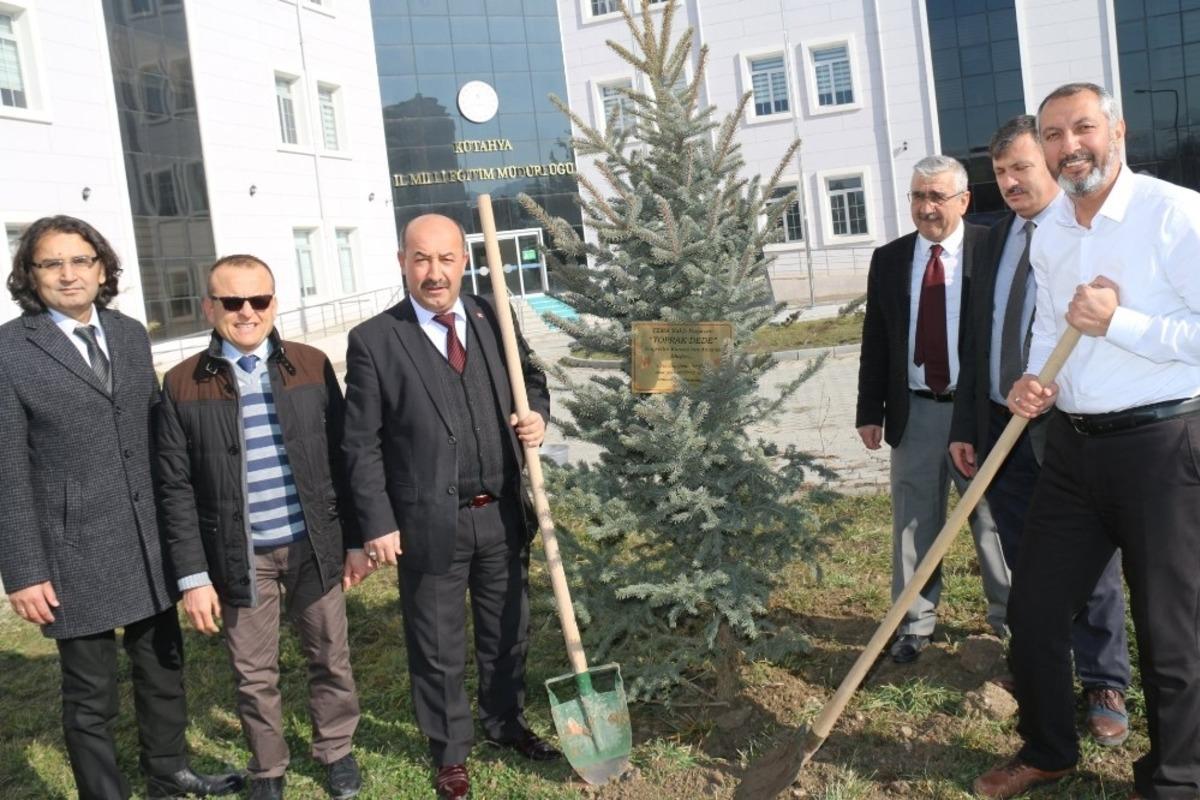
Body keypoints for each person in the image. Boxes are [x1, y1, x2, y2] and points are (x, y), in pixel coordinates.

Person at [973, 82, 1200, 800]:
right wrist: (1035, 382)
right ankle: (1047, 749)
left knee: (1170, 633)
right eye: (1054, 135)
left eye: (1083, 129)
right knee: (1035, 606)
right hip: (1072, 447)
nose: (1070, 147)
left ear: (1118, 131)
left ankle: (1173, 781)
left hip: (1163, 447)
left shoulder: (1175, 214)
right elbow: (1048, 325)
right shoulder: (1053, 232)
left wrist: (1121, 323)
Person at [0, 216, 243, 800]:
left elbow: (159, 431)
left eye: (80, 260)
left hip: (149, 538)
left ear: (102, 267)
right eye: (51, 263)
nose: (68, 273)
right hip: (71, 549)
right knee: (91, 694)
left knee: (163, 668)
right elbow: (6, 469)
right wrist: (24, 571)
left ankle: (168, 771)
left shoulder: (131, 333)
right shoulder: (10, 350)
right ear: (30, 276)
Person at [342, 213, 560, 800]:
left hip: (502, 511)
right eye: (421, 259)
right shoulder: (375, 341)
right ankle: (449, 751)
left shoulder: (493, 317)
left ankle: (505, 722)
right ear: (402, 263)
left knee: (507, 628)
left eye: (445, 259)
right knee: (437, 645)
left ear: (465, 260)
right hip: (426, 523)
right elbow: (359, 443)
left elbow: (530, 380)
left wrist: (536, 412)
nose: (434, 273)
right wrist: (377, 523)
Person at [949, 115, 1131, 746]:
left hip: (1067, 428)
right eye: (999, 173)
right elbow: (978, 339)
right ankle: (1044, 676)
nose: (1009, 182)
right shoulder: (991, 239)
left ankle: (1105, 680)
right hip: (1002, 423)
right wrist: (967, 422)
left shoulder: (1082, 237)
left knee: (1093, 562)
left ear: (1050, 164)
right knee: (1026, 555)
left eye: (1020, 168)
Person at [155, 255, 365, 800]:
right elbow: (174, 489)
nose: (247, 312)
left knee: (330, 657)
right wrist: (193, 577)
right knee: (253, 673)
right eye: (232, 302)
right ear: (210, 307)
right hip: (237, 556)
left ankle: (337, 751)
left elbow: (345, 461)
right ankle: (268, 768)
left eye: (259, 300)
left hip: (313, 547)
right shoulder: (180, 385)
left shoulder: (312, 365)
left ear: (275, 303)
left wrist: (357, 540)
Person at [856, 155, 1011, 664]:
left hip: (980, 411)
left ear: (964, 200)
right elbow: (876, 338)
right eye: (917, 197)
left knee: (990, 518)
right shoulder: (891, 258)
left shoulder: (994, 249)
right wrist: (869, 409)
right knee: (913, 522)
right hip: (916, 411)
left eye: (936, 197)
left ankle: (1011, 619)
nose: (926, 208)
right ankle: (914, 622)